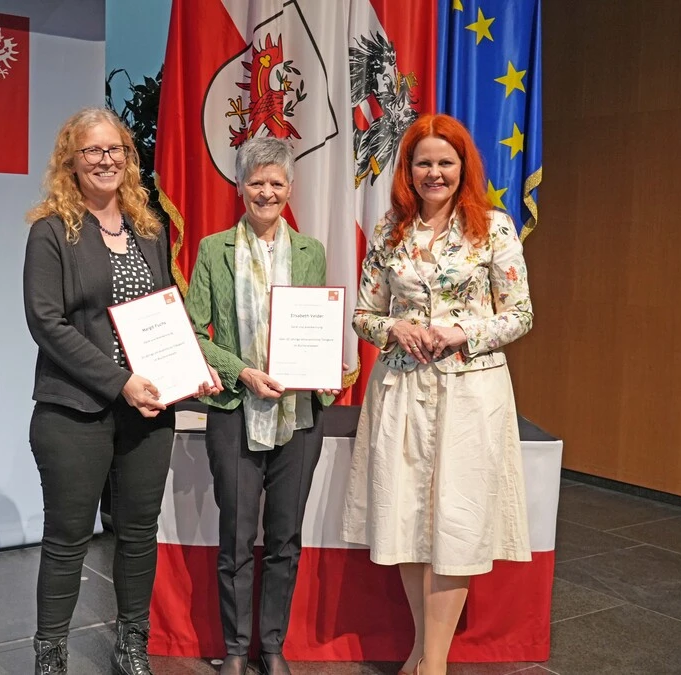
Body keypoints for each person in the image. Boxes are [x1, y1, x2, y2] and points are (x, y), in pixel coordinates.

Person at [23, 107, 220, 675]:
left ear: (129, 160)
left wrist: (192, 370)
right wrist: (121, 382)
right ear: (72, 161)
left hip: (148, 410)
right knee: (67, 537)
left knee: (137, 534)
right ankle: (51, 654)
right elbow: (46, 321)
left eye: (115, 150)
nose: (105, 161)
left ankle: (131, 644)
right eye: (92, 151)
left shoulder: (148, 230)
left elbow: (165, 315)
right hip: (74, 411)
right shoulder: (51, 232)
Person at [341, 113, 534, 675]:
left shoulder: (494, 229)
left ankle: (435, 663)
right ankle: (424, 652)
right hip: (401, 390)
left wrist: (462, 333)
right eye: (423, 162)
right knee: (409, 517)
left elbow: (521, 314)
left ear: (463, 166)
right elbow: (363, 315)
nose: (434, 173)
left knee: (456, 518)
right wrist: (393, 329)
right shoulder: (388, 231)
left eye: (445, 162)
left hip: (471, 394)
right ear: (408, 169)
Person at [184, 137, 342, 675]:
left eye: (276, 183)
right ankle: (234, 648)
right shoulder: (212, 249)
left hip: (298, 417)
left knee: (284, 538)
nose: (266, 192)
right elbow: (193, 332)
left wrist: (324, 371)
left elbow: (316, 326)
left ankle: (271, 646)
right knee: (235, 536)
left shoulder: (311, 251)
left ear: (290, 189)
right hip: (233, 410)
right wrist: (242, 372)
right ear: (239, 187)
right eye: (257, 182)